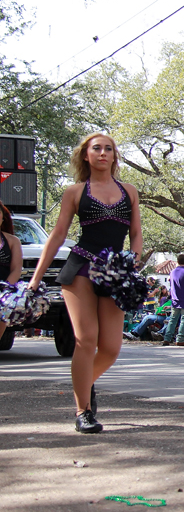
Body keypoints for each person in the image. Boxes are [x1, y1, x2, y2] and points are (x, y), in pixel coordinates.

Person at [28, 133, 143, 434]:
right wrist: (36, 278)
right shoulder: (75, 192)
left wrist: (133, 262)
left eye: (108, 149)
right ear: (85, 156)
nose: (103, 153)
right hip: (80, 268)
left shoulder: (129, 191)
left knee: (111, 348)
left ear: (114, 156)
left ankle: (85, 385)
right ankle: (83, 411)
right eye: (96, 149)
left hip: (116, 272)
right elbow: (57, 234)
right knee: (86, 339)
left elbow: (136, 233)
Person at [0, 201, 23, 341]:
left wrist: (5, 291)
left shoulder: (13, 241)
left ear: (3, 218)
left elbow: (16, 269)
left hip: (3, 295)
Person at [163, 254, 184, 346]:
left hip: (175, 299)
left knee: (172, 320)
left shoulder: (172, 272)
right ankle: (180, 339)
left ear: (177, 261)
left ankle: (167, 338)